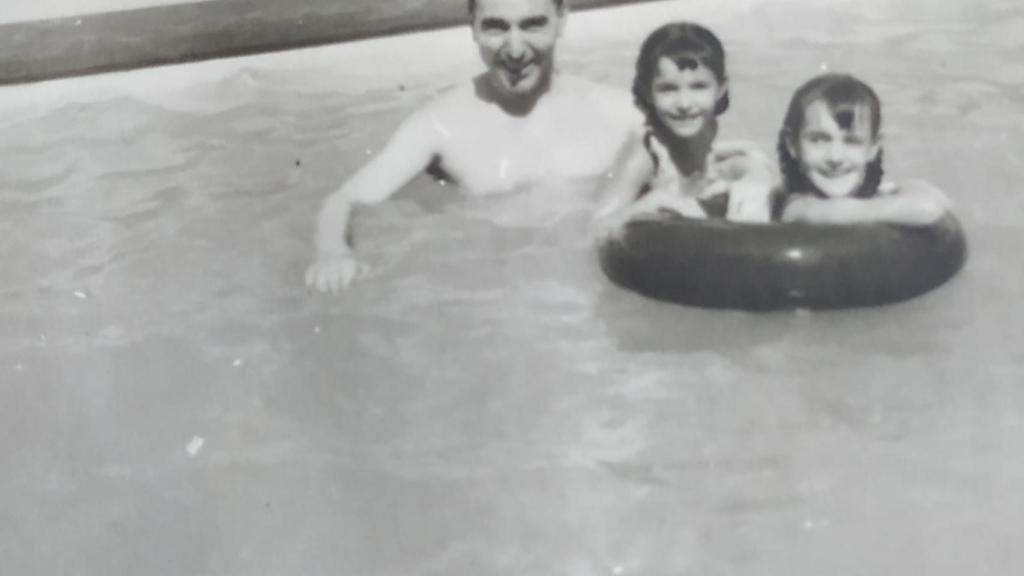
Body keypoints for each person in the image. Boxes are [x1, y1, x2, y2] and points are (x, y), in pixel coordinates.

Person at [305, 0, 642, 293]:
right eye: (496, 27)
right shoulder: (441, 123)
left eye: (532, 25)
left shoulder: (621, 113)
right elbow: (345, 199)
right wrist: (333, 253)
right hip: (495, 303)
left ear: (562, 19)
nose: (514, 49)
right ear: (474, 29)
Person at [590, 22, 777, 238]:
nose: (684, 103)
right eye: (668, 89)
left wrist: (755, 184)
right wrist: (652, 203)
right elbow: (597, 231)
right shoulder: (646, 154)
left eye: (698, 87)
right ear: (648, 93)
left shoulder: (720, 147)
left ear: (720, 89)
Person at [776, 73, 950, 224]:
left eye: (852, 141)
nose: (835, 157)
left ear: (873, 147)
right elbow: (928, 208)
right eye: (818, 140)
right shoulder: (797, 208)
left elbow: (933, 200)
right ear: (792, 145)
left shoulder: (881, 194)